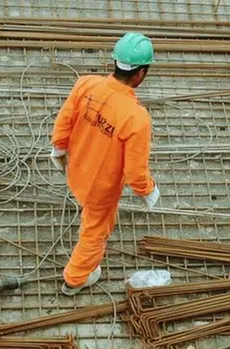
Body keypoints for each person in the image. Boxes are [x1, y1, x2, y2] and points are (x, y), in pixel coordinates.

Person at [50, 32, 160, 296]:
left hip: (75, 168)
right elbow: (135, 172)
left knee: (91, 217)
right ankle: (75, 279)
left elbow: (64, 121)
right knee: (95, 231)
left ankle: (79, 272)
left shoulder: (86, 84)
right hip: (100, 188)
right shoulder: (136, 118)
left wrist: (59, 149)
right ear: (141, 74)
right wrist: (148, 190)